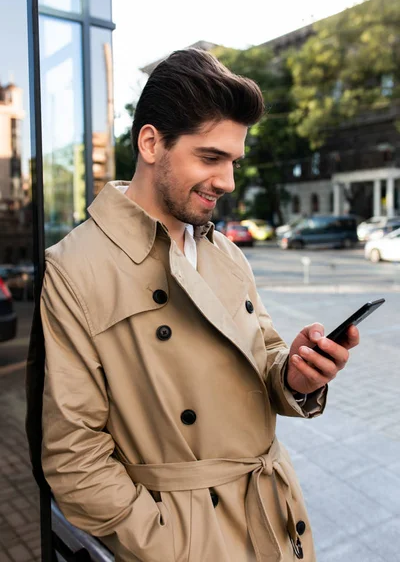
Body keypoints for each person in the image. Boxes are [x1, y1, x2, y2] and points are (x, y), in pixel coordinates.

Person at [40, 49, 359, 562]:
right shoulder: (76, 265)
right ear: (151, 143)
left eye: (233, 162)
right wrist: (177, 544)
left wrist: (295, 375)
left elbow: (264, 355)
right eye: (210, 158)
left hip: (275, 522)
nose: (228, 181)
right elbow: (73, 458)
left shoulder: (225, 251)